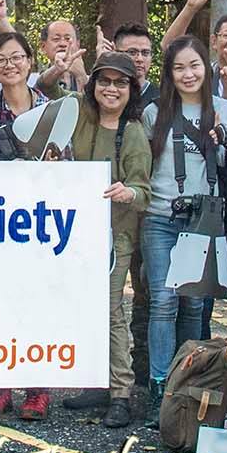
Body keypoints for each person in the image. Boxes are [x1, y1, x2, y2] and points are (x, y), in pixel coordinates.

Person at [139, 36, 227, 397]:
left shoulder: (224, 110)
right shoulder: (155, 112)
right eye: (179, 67)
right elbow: (144, 165)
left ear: (207, 67)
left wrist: (223, 137)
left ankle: (187, 380)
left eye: (195, 65)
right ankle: (159, 382)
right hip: (160, 215)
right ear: (169, 73)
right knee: (163, 299)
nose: (188, 74)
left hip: (203, 218)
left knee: (195, 302)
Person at [60, 53, 152, 427]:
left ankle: (120, 392)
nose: (111, 89)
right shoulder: (81, 119)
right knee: (85, 308)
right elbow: (50, 105)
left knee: (111, 311)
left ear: (132, 90)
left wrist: (127, 192)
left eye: (120, 83)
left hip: (116, 237)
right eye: (105, 81)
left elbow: (144, 190)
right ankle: (95, 381)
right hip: (77, 234)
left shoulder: (132, 134)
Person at [0, 30, 45, 160]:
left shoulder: (50, 111)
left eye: (16, 57)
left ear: (29, 61)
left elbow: (67, 162)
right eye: (0, 60)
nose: (9, 65)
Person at [34, 18, 89, 97]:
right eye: (56, 39)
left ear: (78, 44)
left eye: (68, 39)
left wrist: (81, 77)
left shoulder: (92, 82)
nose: (63, 44)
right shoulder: (33, 82)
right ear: (43, 46)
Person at [110, 24, 157, 104]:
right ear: (115, 52)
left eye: (145, 53)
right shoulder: (106, 94)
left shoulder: (160, 100)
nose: (140, 59)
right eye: (132, 52)